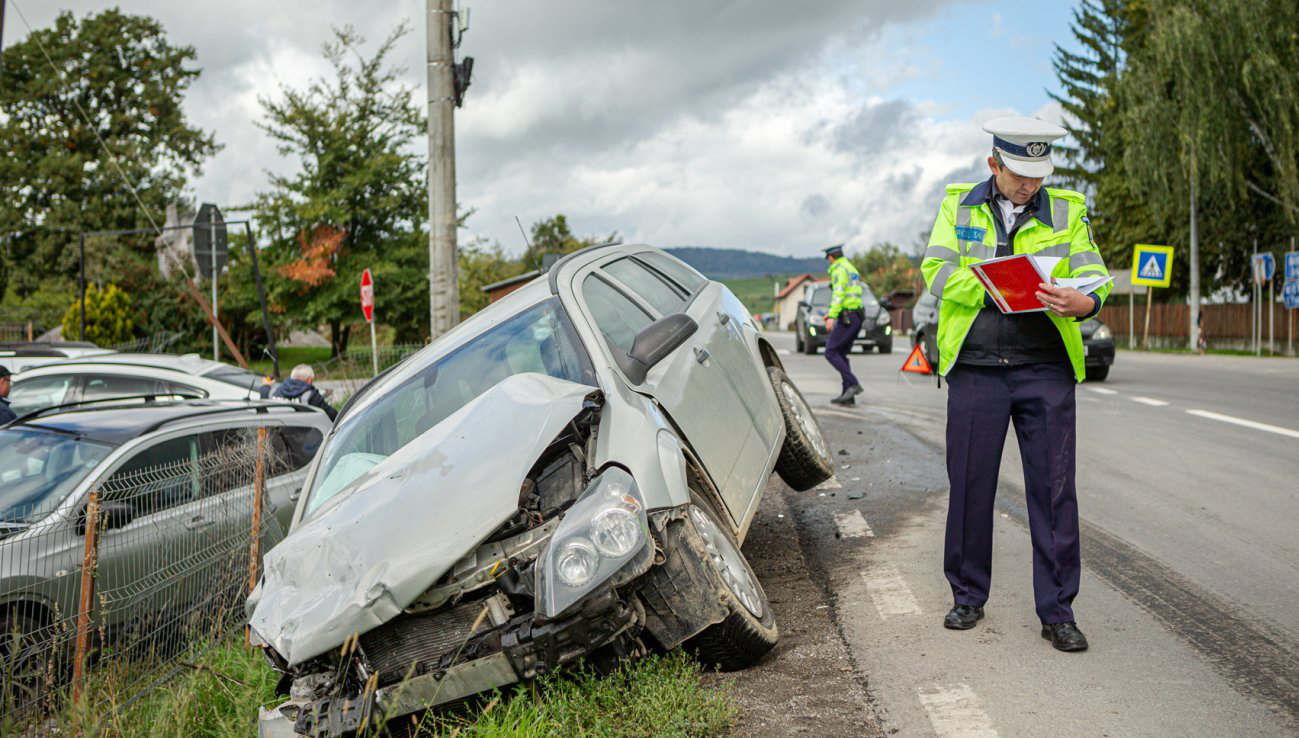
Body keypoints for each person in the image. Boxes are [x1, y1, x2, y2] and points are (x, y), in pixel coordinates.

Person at [920, 116, 1111, 652]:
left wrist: (1086, 302)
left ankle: (1057, 612)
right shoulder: (957, 205)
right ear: (994, 165)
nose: (1030, 185)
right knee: (970, 485)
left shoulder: (1068, 210)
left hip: (1044, 368)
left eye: (1038, 175)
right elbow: (935, 271)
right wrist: (997, 286)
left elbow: (1094, 276)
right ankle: (966, 596)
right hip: (977, 368)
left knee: (1053, 492)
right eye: (1019, 174)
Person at [822, 244, 865, 405]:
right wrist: (832, 313)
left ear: (831, 258)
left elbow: (839, 294)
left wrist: (832, 316)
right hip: (856, 315)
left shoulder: (839, 269)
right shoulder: (851, 268)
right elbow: (851, 296)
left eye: (828, 259)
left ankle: (852, 384)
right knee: (840, 353)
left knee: (831, 351)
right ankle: (848, 394)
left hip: (847, 316)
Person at [262, 364, 337, 421]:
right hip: (305, 439)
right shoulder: (312, 396)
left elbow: (264, 391)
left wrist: (266, 385)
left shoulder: (273, 392)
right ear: (309, 380)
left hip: (279, 437)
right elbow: (333, 415)